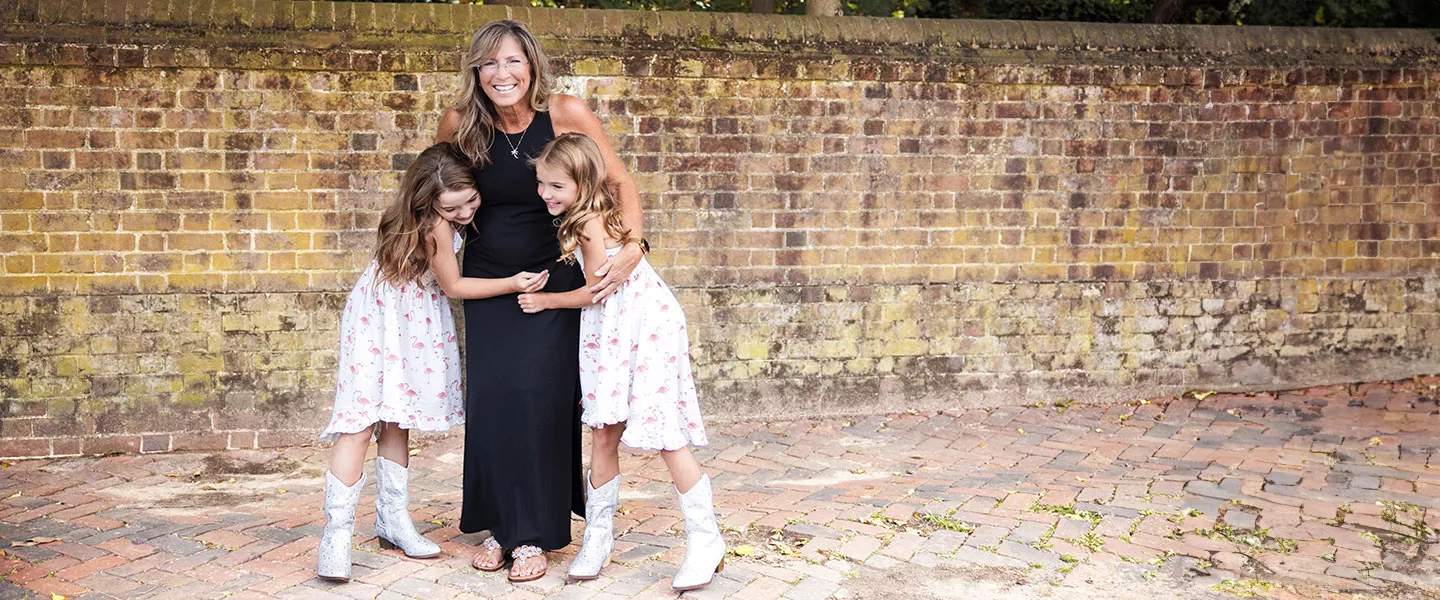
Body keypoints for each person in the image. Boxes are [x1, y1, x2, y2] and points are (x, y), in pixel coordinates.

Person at [436, 19, 647, 583]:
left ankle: (534, 534)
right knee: (495, 402)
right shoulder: (460, 124)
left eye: (511, 62)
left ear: (531, 65)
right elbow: (434, 195)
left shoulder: (566, 114)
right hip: (487, 283)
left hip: (555, 278)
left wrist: (633, 246)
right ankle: (499, 527)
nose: (501, 74)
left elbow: (619, 182)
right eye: (488, 63)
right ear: (476, 72)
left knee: (541, 400)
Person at [316, 143, 550, 582]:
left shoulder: (408, 213)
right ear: (429, 201)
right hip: (391, 319)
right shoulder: (435, 226)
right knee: (359, 423)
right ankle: (337, 535)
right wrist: (513, 282)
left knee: (396, 419)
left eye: (471, 201)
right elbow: (454, 286)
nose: (463, 213)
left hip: (394, 314)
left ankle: (392, 520)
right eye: (452, 206)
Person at [518, 133, 725, 591]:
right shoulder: (587, 214)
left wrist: (547, 301)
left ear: (582, 181)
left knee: (665, 432)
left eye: (555, 186)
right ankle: (598, 535)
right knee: (604, 428)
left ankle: (706, 538)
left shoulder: (590, 223)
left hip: (640, 326)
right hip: (611, 329)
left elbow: (596, 290)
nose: (545, 194)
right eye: (541, 184)